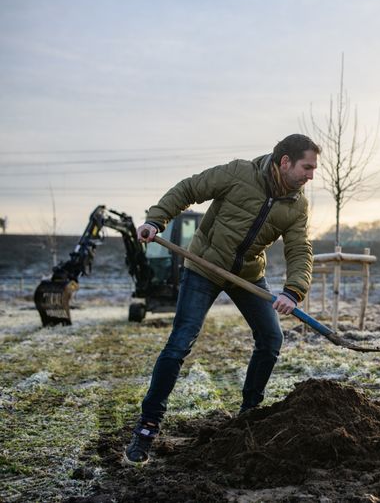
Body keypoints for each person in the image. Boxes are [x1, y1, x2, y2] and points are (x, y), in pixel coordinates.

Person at [124, 134, 319, 465]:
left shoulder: (297, 204)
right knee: (180, 343)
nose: (311, 175)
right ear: (285, 162)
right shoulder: (239, 173)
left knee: (272, 338)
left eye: (314, 169)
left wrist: (292, 290)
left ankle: (248, 415)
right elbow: (189, 189)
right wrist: (157, 219)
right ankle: (147, 426)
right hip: (204, 266)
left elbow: (299, 249)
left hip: (247, 274)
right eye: (307, 167)